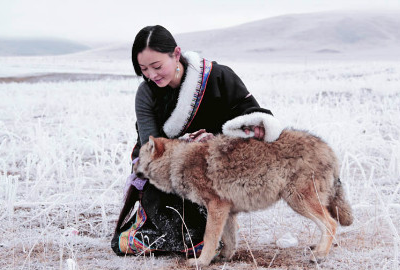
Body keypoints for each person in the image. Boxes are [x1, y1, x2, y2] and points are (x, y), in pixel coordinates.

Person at [111, 25, 282, 257]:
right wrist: (188, 145)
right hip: (170, 176)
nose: (152, 75)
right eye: (144, 69)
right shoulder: (146, 94)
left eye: (157, 66)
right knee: (184, 233)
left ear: (176, 53)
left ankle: (216, 221)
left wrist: (232, 137)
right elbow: (151, 146)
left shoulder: (219, 77)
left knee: (205, 223)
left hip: (215, 172)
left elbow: (251, 115)